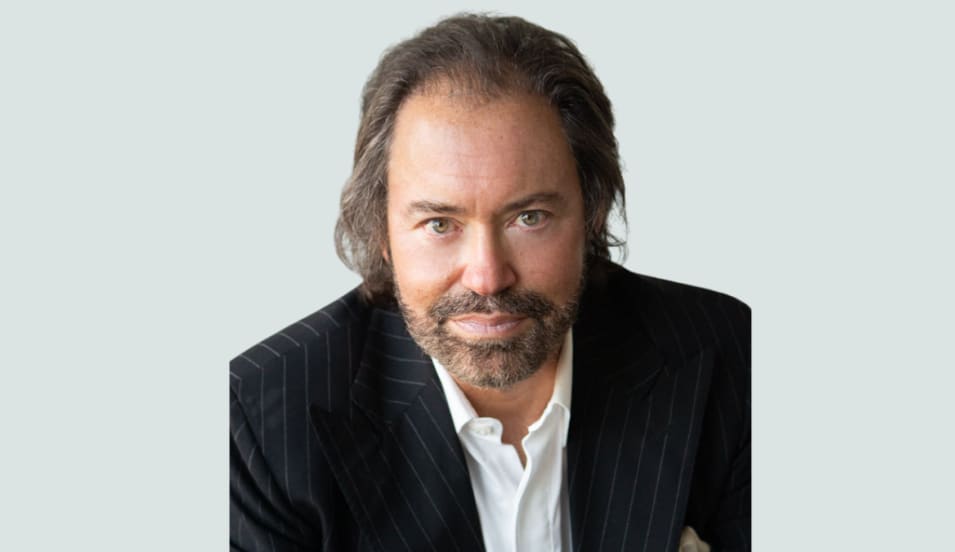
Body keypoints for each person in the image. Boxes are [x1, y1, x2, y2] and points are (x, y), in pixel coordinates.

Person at [230, 13, 750, 552]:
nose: (487, 278)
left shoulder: (730, 354)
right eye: (440, 224)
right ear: (381, 232)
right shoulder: (263, 422)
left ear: (592, 214)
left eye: (529, 218)